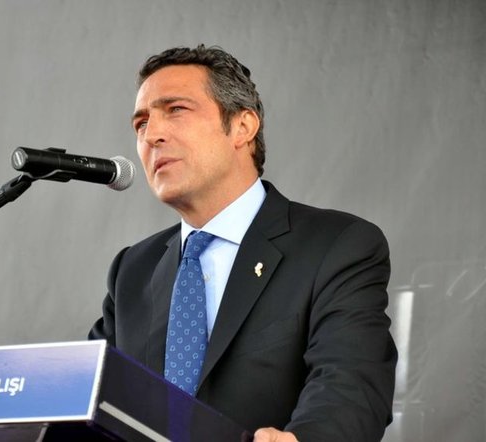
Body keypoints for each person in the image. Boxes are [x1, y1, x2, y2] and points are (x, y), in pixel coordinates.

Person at [89, 45, 397, 442]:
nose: (152, 135)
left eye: (176, 110)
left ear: (242, 126)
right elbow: (87, 393)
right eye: (141, 123)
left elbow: (353, 386)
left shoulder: (336, 247)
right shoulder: (133, 269)